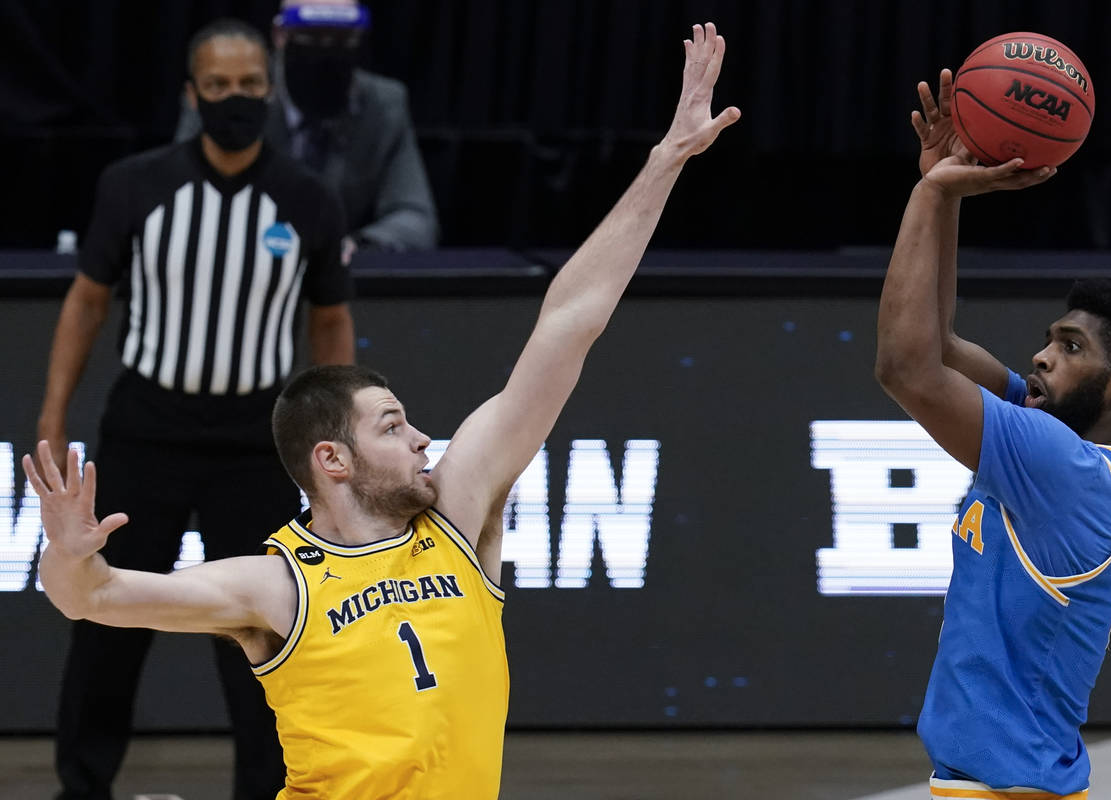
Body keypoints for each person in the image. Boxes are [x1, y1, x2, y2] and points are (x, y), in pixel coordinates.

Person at [28, 22, 738, 800]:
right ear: (333, 459)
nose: (425, 437)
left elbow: (570, 322)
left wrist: (664, 162)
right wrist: (67, 553)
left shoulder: (457, 514)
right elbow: (91, 598)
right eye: (394, 426)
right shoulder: (278, 585)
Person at [35, 18, 355, 800]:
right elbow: (86, 302)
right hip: (147, 428)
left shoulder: (308, 198)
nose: (234, 99)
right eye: (218, 86)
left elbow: (330, 319)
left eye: (249, 85)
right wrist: (52, 414)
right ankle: (82, 785)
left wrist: (337, 434)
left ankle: (271, 789)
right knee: (105, 619)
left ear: (270, 91)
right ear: (192, 94)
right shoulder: (135, 185)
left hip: (255, 439)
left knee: (262, 627)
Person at [875, 70, 1111, 799]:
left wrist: (928, 196)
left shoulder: (1062, 466)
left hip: (1009, 789)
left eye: (1072, 347)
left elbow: (904, 366)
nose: (1043, 355)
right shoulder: (1059, 438)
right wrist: (945, 191)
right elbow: (939, 343)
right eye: (1049, 340)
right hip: (1003, 782)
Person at [175, 1, 439, 256]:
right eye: (311, 37)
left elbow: (415, 218)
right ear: (280, 35)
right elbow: (181, 203)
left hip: (340, 279)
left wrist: (355, 247)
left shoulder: (383, 104)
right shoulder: (230, 97)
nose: (325, 51)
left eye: (340, 39)